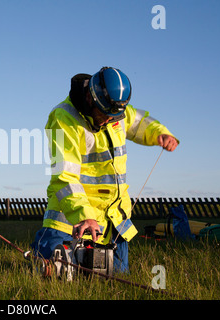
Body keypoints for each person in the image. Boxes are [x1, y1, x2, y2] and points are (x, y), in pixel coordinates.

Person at [31, 67, 178, 273]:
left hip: (112, 225)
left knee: (114, 279)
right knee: (55, 273)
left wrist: (160, 134)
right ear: (91, 100)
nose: (109, 120)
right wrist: (84, 217)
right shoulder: (63, 118)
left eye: (114, 117)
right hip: (70, 223)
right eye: (104, 114)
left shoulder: (115, 111)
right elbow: (65, 177)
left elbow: (139, 122)